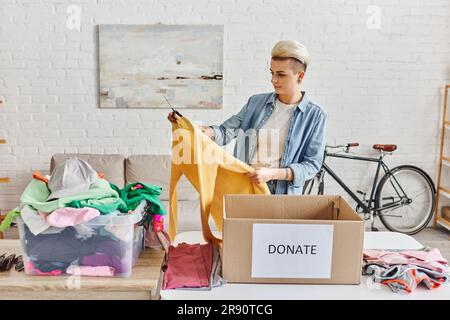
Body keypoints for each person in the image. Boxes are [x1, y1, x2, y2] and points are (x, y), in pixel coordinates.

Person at [168, 40, 327, 194]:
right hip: (245, 187)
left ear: (300, 76)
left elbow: (312, 165)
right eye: (272, 73)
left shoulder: (315, 116)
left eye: (281, 74)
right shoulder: (256, 103)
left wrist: (273, 174)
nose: (273, 79)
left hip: (283, 194)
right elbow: (226, 131)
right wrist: (206, 131)